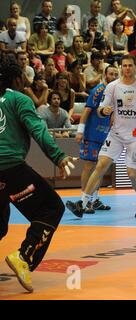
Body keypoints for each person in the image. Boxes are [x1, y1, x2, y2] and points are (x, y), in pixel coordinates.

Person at [66, 55, 136, 218]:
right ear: (121, 67)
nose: (127, 69)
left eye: (130, 65)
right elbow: (100, 110)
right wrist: (104, 111)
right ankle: (82, 202)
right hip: (116, 134)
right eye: (124, 66)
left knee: (131, 173)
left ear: (135, 66)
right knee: (101, 165)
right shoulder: (113, 87)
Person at [0, 63, 77, 293]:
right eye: (23, 73)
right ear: (15, 79)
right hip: (9, 167)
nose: (26, 78)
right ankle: (25, 256)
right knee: (52, 207)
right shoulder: (20, 100)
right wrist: (58, 156)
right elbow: (38, 129)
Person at [66, 65, 119, 214]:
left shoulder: (115, 94)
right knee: (89, 166)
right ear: (105, 75)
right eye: (111, 74)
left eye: (116, 74)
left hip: (105, 136)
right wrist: (80, 131)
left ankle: (95, 200)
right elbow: (87, 111)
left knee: (100, 168)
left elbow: (113, 116)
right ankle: (85, 200)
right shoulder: (98, 91)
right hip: (91, 135)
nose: (114, 77)